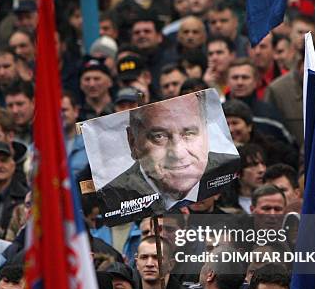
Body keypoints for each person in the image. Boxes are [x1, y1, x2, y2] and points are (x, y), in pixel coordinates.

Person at [98, 93, 239, 221]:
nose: (178, 153)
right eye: (159, 136)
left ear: (206, 133)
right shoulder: (113, 197)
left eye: (189, 133)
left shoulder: (227, 169)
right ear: (133, 141)